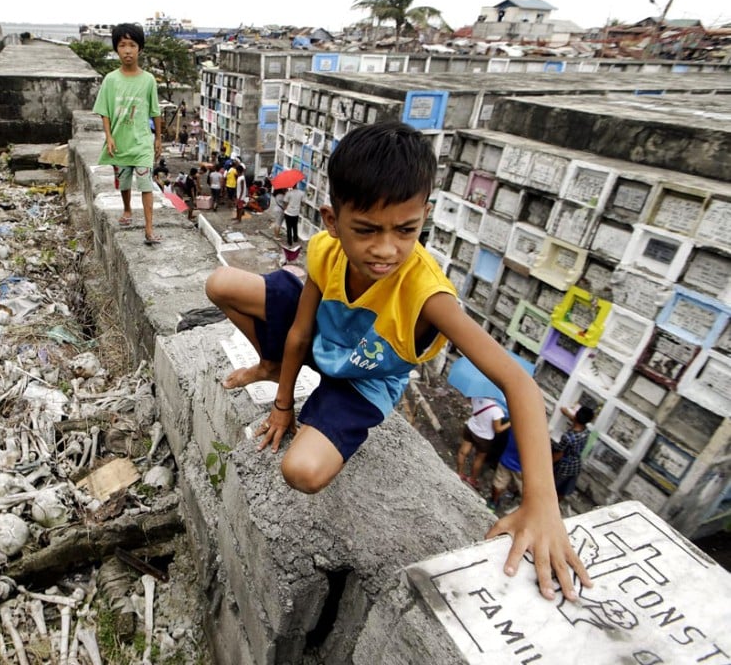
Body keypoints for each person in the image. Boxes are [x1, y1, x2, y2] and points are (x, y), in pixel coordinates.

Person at [203, 120, 589, 602]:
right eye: (366, 231)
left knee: (302, 471)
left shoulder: (427, 293)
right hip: (323, 337)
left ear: (424, 216)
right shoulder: (326, 251)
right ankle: (268, 363)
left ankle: (292, 377)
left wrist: (542, 504)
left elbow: (519, 383)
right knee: (221, 284)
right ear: (332, 220)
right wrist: (283, 402)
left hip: (362, 379)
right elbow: (302, 330)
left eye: (405, 230)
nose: (386, 249)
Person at [93, 23, 163, 246]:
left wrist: (159, 138)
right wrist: (109, 137)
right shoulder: (111, 80)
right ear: (116, 49)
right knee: (124, 182)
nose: (127, 50)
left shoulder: (148, 80)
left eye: (132, 45)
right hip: (120, 142)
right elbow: (104, 111)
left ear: (139, 48)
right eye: (122, 45)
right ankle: (126, 208)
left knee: (145, 184)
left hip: (142, 141)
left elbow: (155, 111)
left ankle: (149, 229)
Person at [456, 397, 509, 489]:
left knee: (463, 452)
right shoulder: (497, 410)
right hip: (484, 437)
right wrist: (510, 423)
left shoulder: (476, 397)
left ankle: (459, 473)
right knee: (479, 458)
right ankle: (472, 479)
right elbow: (498, 429)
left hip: (471, 428)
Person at [552, 405, 595, 504]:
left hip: (563, 468)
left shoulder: (567, 437)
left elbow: (558, 455)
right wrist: (567, 413)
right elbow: (578, 422)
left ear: (576, 415)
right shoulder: (586, 431)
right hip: (575, 466)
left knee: (552, 488)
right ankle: (557, 504)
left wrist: (547, 465)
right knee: (562, 490)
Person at [488, 424, 521, 512]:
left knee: (499, 483)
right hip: (522, 468)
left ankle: (493, 503)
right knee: (526, 492)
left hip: (506, 460)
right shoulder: (535, 436)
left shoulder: (514, 426)